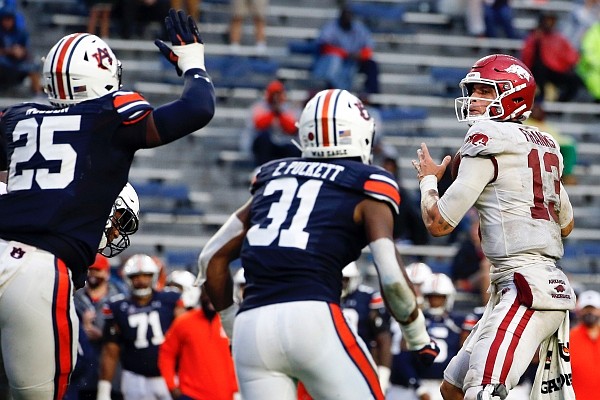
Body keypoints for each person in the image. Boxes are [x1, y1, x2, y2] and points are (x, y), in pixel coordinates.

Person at [0, 8, 214, 399]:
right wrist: (194, 66)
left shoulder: (17, 117)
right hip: (39, 268)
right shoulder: (110, 112)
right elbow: (198, 108)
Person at [197, 88, 440, 400]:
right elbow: (391, 276)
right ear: (361, 133)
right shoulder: (368, 182)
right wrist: (418, 337)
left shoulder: (272, 177)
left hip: (251, 328)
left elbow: (211, 259)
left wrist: (233, 329)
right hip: (312, 316)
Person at [412, 53, 576, 400]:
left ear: (512, 96)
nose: (474, 99)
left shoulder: (488, 138)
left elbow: (439, 224)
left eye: (485, 92)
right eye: (472, 91)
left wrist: (429, 182)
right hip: (527, 282)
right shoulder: (541, 144)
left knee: (482, 391)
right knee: (453, 389)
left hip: (526, 286)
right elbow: (567, 224)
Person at [97, 254, 186, 400]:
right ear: (127, 278)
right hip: (134, 377)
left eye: (146, 276)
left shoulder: (170, 300)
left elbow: (186, 340)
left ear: (154, 276)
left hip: (168, 376)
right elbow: (110, 351)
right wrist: (104, 390)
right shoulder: (118, 307)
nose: (141, 281)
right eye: (135, 276)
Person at [387, 273, 463, 400]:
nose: (434, 301)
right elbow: (403, 357)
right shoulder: (416, 320)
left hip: (446, 385)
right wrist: (418, 387)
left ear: (448, 298)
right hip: (417, 385)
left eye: (439, 297)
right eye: (431, 297)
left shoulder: (458, 323)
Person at [158, 287, 238, 400]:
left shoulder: (232, 322)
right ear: (200, 295)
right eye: (207, 294)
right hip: (191, 394)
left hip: (225, 395)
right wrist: (171, 385)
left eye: (215, 294)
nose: (211, 298)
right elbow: (167, 353)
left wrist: (237, 388)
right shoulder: (184, 322)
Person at [341, 262, 393, 393]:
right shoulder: (324, 295)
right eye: (337, 278)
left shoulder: (368, 297)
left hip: (362, 363)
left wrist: (383, 375)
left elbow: (383, 338)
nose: (340, 284)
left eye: (344, 279)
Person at [311, 6, 380, 95]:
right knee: (334, 62)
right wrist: (344, 54)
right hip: (334, 59)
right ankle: (330, 89)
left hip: (354, 60)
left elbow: (369, 49)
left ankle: (371, 93)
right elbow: (324, 47)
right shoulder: (332, 27)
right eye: (345, 16)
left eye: (349, 16)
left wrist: (360, 55)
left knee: (371, 64)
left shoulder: (359, 28)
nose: (347, 19)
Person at [520, 12, 581, 102]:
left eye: (552, 21)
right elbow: (527, 58)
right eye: (547, 21)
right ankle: (540, 99)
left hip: (555, 70)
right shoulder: (533, 38)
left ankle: (560, 102)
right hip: (537, 73)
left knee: (574, 79)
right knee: (539, 68)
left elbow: (571, 55)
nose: (550, 24)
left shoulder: (558, 37)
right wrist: (537, 41)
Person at [244, 79, 301, 167]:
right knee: (264, 138)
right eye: (274, 94)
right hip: (265, 147)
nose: (276, 97)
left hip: (284, 144)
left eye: (278, 94)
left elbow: (292, 128)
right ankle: (261, 168)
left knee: (294, 147)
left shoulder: (290, 108)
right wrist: (273, 112)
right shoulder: (258, 107)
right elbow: (259, 125)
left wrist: (280, 113)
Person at [525, 103, 578, 185]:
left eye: (539, 110)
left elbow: (564, 141)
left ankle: (565, 174)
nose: (537, 112)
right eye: (534, 110)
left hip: (550, 150)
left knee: (568, 146)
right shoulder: (525, 123)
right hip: (535, 152)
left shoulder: (545, 124)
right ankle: (566, 175)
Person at [0, 4, 42, 95]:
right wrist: (10, 51)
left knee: (34, 64)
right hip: (3, 62)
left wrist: (21, 52)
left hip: (17, 63)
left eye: (10, 19)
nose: (7, 22)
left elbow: (27, 50)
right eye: (5, 19)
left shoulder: (20, 32)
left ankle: (37, 93)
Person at [569, 289, 600, 400]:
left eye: (593, 309)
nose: (590, 312)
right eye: (586, 309)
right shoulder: (568, 338)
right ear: (579, 311)